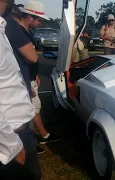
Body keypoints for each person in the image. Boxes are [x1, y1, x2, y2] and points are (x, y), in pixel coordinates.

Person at [0, 0, 42, 179]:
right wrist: (12, 147)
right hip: (12, 134)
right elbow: (33, 57)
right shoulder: (13, 28)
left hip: (17, 131)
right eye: (38, 19)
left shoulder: (4, 25)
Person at [18, 1, 62, 154]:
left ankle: (34, 137)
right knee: (30, 110)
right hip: (24, 80)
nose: (40, 22)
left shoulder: (26, 32)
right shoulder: (19, 33)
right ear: (29, 17)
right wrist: (26, 83)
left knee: (32, 108)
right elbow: (17, 62)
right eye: (38, 19)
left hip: (29, 77)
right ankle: (35, 139)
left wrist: (35, 74)